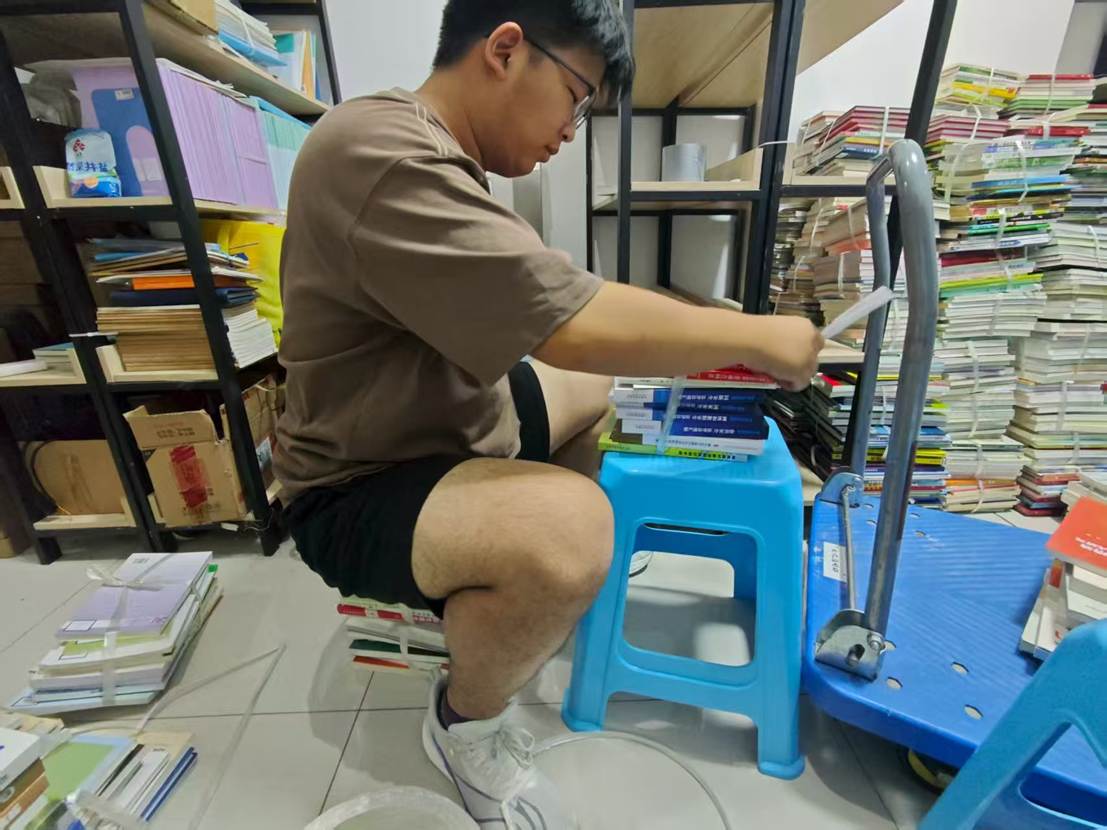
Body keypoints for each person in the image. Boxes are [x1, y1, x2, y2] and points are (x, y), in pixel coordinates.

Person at [275, 1, 824, 826]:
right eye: (575, 97)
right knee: (570, 534)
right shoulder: (380, 150)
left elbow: (558, 311)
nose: (571, 129)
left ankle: (527, 592)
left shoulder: (430, 150)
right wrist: (760, 336)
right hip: (360, 480)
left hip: (449, 418)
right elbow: (570, 322)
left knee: (599, 394)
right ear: (505, 49)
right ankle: (464, 720)